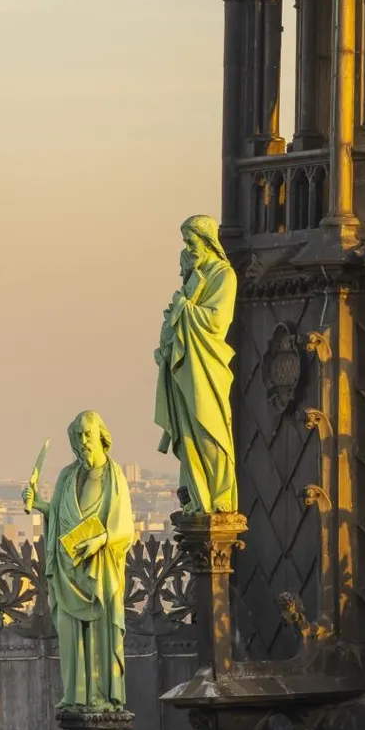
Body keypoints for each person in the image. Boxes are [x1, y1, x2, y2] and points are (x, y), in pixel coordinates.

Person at [25, 410, 136, 710]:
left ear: (102, 435)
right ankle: (75, 696)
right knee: (71, 635)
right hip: (68, 570)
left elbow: (125, 528)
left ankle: (99, 696)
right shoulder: (67, 475)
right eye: (78, 436)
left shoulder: (115, 477)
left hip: (100, 571)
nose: (83, 440)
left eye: (88, 434)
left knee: (100, 637)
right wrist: (41, 506)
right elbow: (60, 517)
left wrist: (100, 541)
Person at [155, 214, 239, 514]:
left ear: (207, 243)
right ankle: (196, 492)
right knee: (190, 429)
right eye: (185, 243)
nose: (188, 248)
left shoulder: (224, 276)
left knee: (209, 428)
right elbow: (173, 320)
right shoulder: (194, 275)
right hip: (186, 365)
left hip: (208, 365)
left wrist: (183, 307)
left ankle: (219, 492)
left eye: (192, 242)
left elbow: (217, 321)